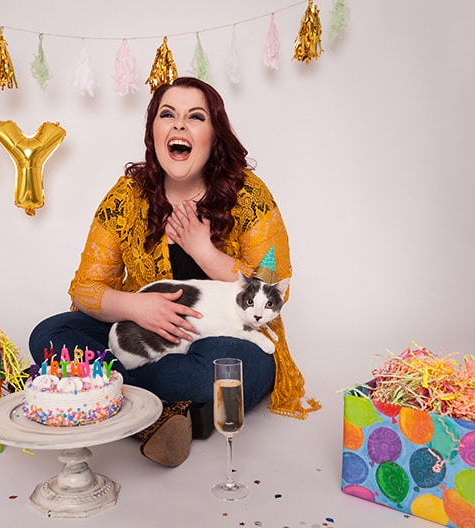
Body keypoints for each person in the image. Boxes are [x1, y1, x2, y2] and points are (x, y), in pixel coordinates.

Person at [29, 77, 319, 467]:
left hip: (227, 338)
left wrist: (204, 251)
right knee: (49, 334)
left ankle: (91, 391)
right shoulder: (127, 197)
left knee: (216, 373)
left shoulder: (249, 195)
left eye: (195, 117)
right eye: (169, 114)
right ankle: (170, 415)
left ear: (213, 136)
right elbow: (85, 289)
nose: (180, 125)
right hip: (144, 334)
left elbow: (271, 289)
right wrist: (136, 307)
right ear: (154, 131)